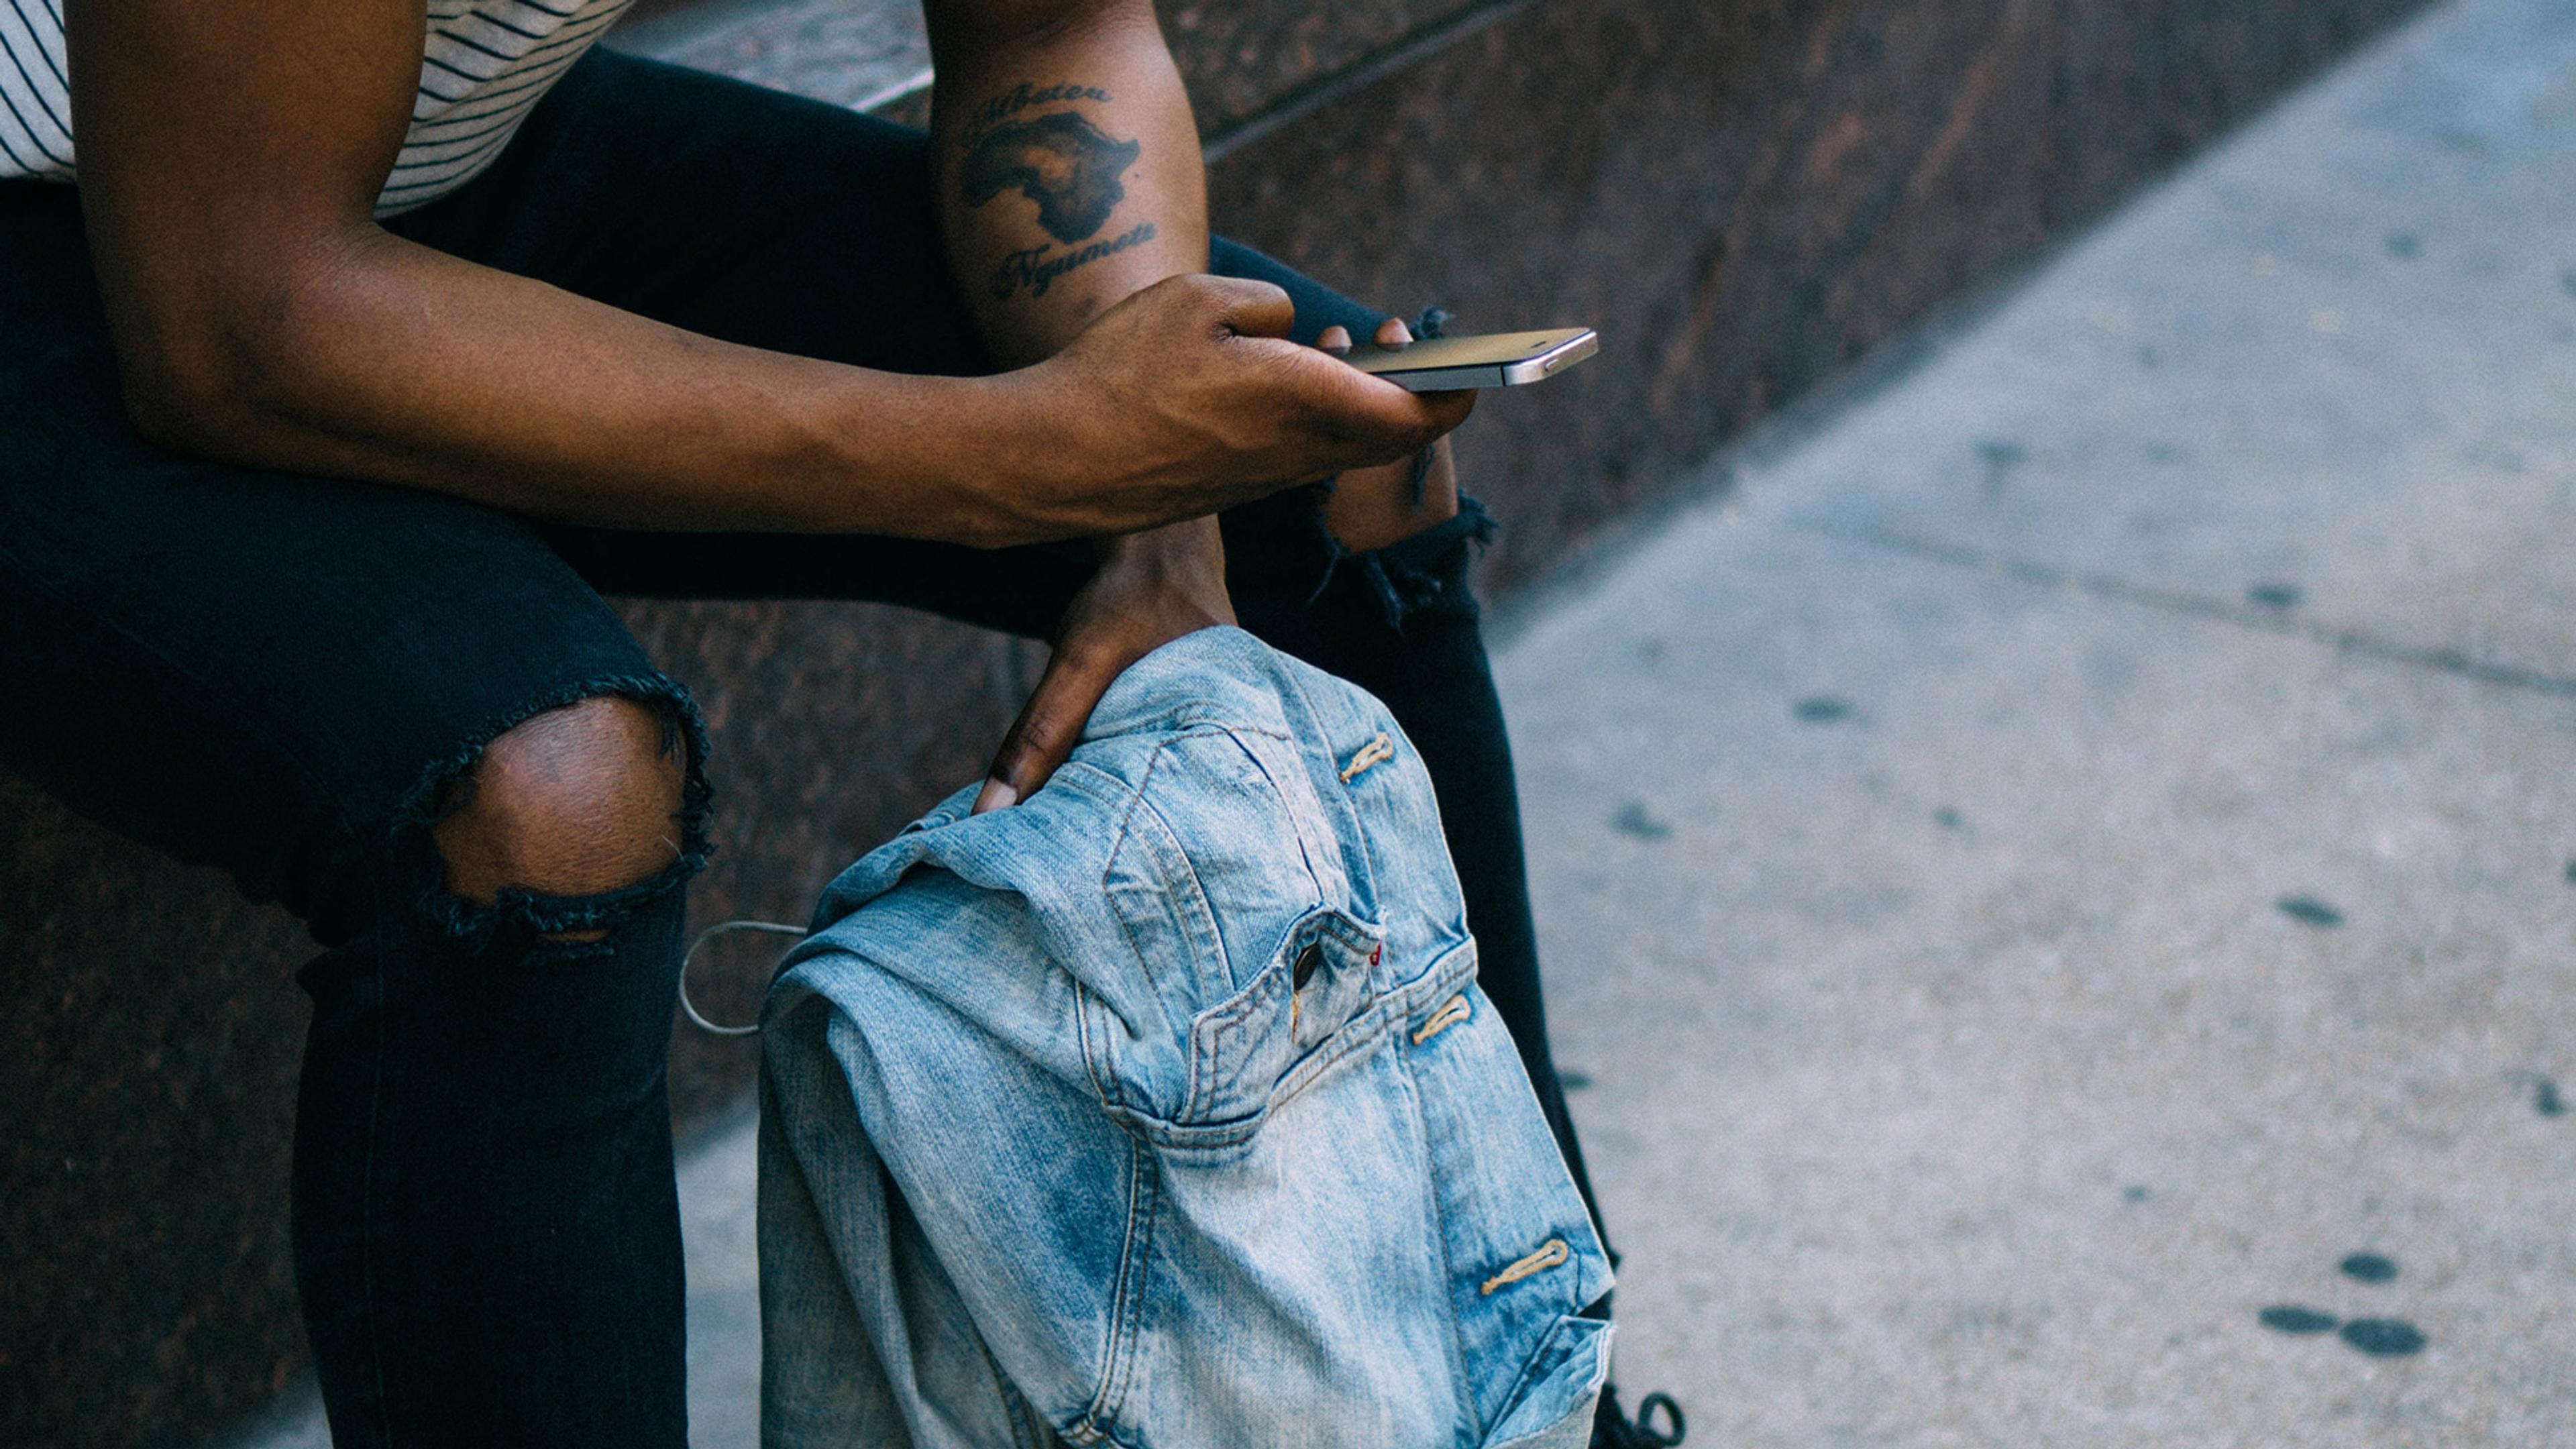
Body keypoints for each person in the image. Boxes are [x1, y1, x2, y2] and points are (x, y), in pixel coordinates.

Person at [0, 0, 1678, 1443]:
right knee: (546, 793)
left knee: (1322, 474)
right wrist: (1026, 455)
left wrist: (1165, 504)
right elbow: (240, 317)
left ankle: (1530, 1398)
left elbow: (1052, 39)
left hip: (427, 160)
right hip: (114, 238)